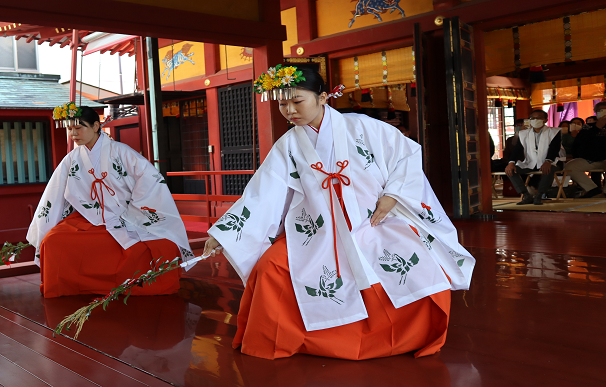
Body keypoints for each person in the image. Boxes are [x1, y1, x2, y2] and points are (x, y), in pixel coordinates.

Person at [202, 66, 474, 361]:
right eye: (282, 104)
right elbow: (263, 193)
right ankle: (296, 336)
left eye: (297, 101)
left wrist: (393, 195)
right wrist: (225, 234)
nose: (290, 110)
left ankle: (409, 334)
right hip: (318, 228)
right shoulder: (289, 145)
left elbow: (407, 156)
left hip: (372, 219)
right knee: (270, 269)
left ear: (322, 97)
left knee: (419, 263)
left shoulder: (364, 127)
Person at [26, 105, 194, 298]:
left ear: (96, 126)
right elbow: (54, 193)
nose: (73, 133)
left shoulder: (122, 152)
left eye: (79, 128)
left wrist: (133, 211)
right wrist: (45, 225)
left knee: (162, 244)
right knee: (52, 241)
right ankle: (71, 285)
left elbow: (149, 178)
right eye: (69, 129)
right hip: (89, 218)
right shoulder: (71, 159)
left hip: (128, 214)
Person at [505, 109, 564, 205]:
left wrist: (548, 161)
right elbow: (517, 149)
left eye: (539, 118)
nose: (535, 120)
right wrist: (511, 162)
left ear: (545, 120)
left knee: (548, 169)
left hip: (553, 161)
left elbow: (554, 149)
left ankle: (539, 195)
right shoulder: (524, 133)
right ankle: (526, 195)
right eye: (533, 118)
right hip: (531, 162)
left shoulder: (554, 132)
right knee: (510, 170)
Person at [566, 101, 606, 198]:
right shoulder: (588, 127)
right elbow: (581, 143)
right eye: (601, 111)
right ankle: (592, 189)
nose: (605, 113)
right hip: (590, 159)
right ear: (596, 113)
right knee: (570, 166)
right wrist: (597, 127)